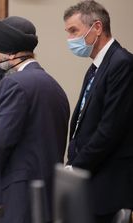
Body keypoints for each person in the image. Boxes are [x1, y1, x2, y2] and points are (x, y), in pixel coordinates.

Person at [0, 16, 70, 223]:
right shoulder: (55, 87)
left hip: (18, 199)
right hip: (48, 197)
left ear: (11, 55)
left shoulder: (14, 84)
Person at [64, 1, 133, 222]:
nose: (70, 39)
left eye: (74, 31)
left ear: (97, 28)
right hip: (92, 181)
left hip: (108, 187)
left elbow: (109, 130)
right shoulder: (96, 67)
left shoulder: (121, 63)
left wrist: (76, 167)